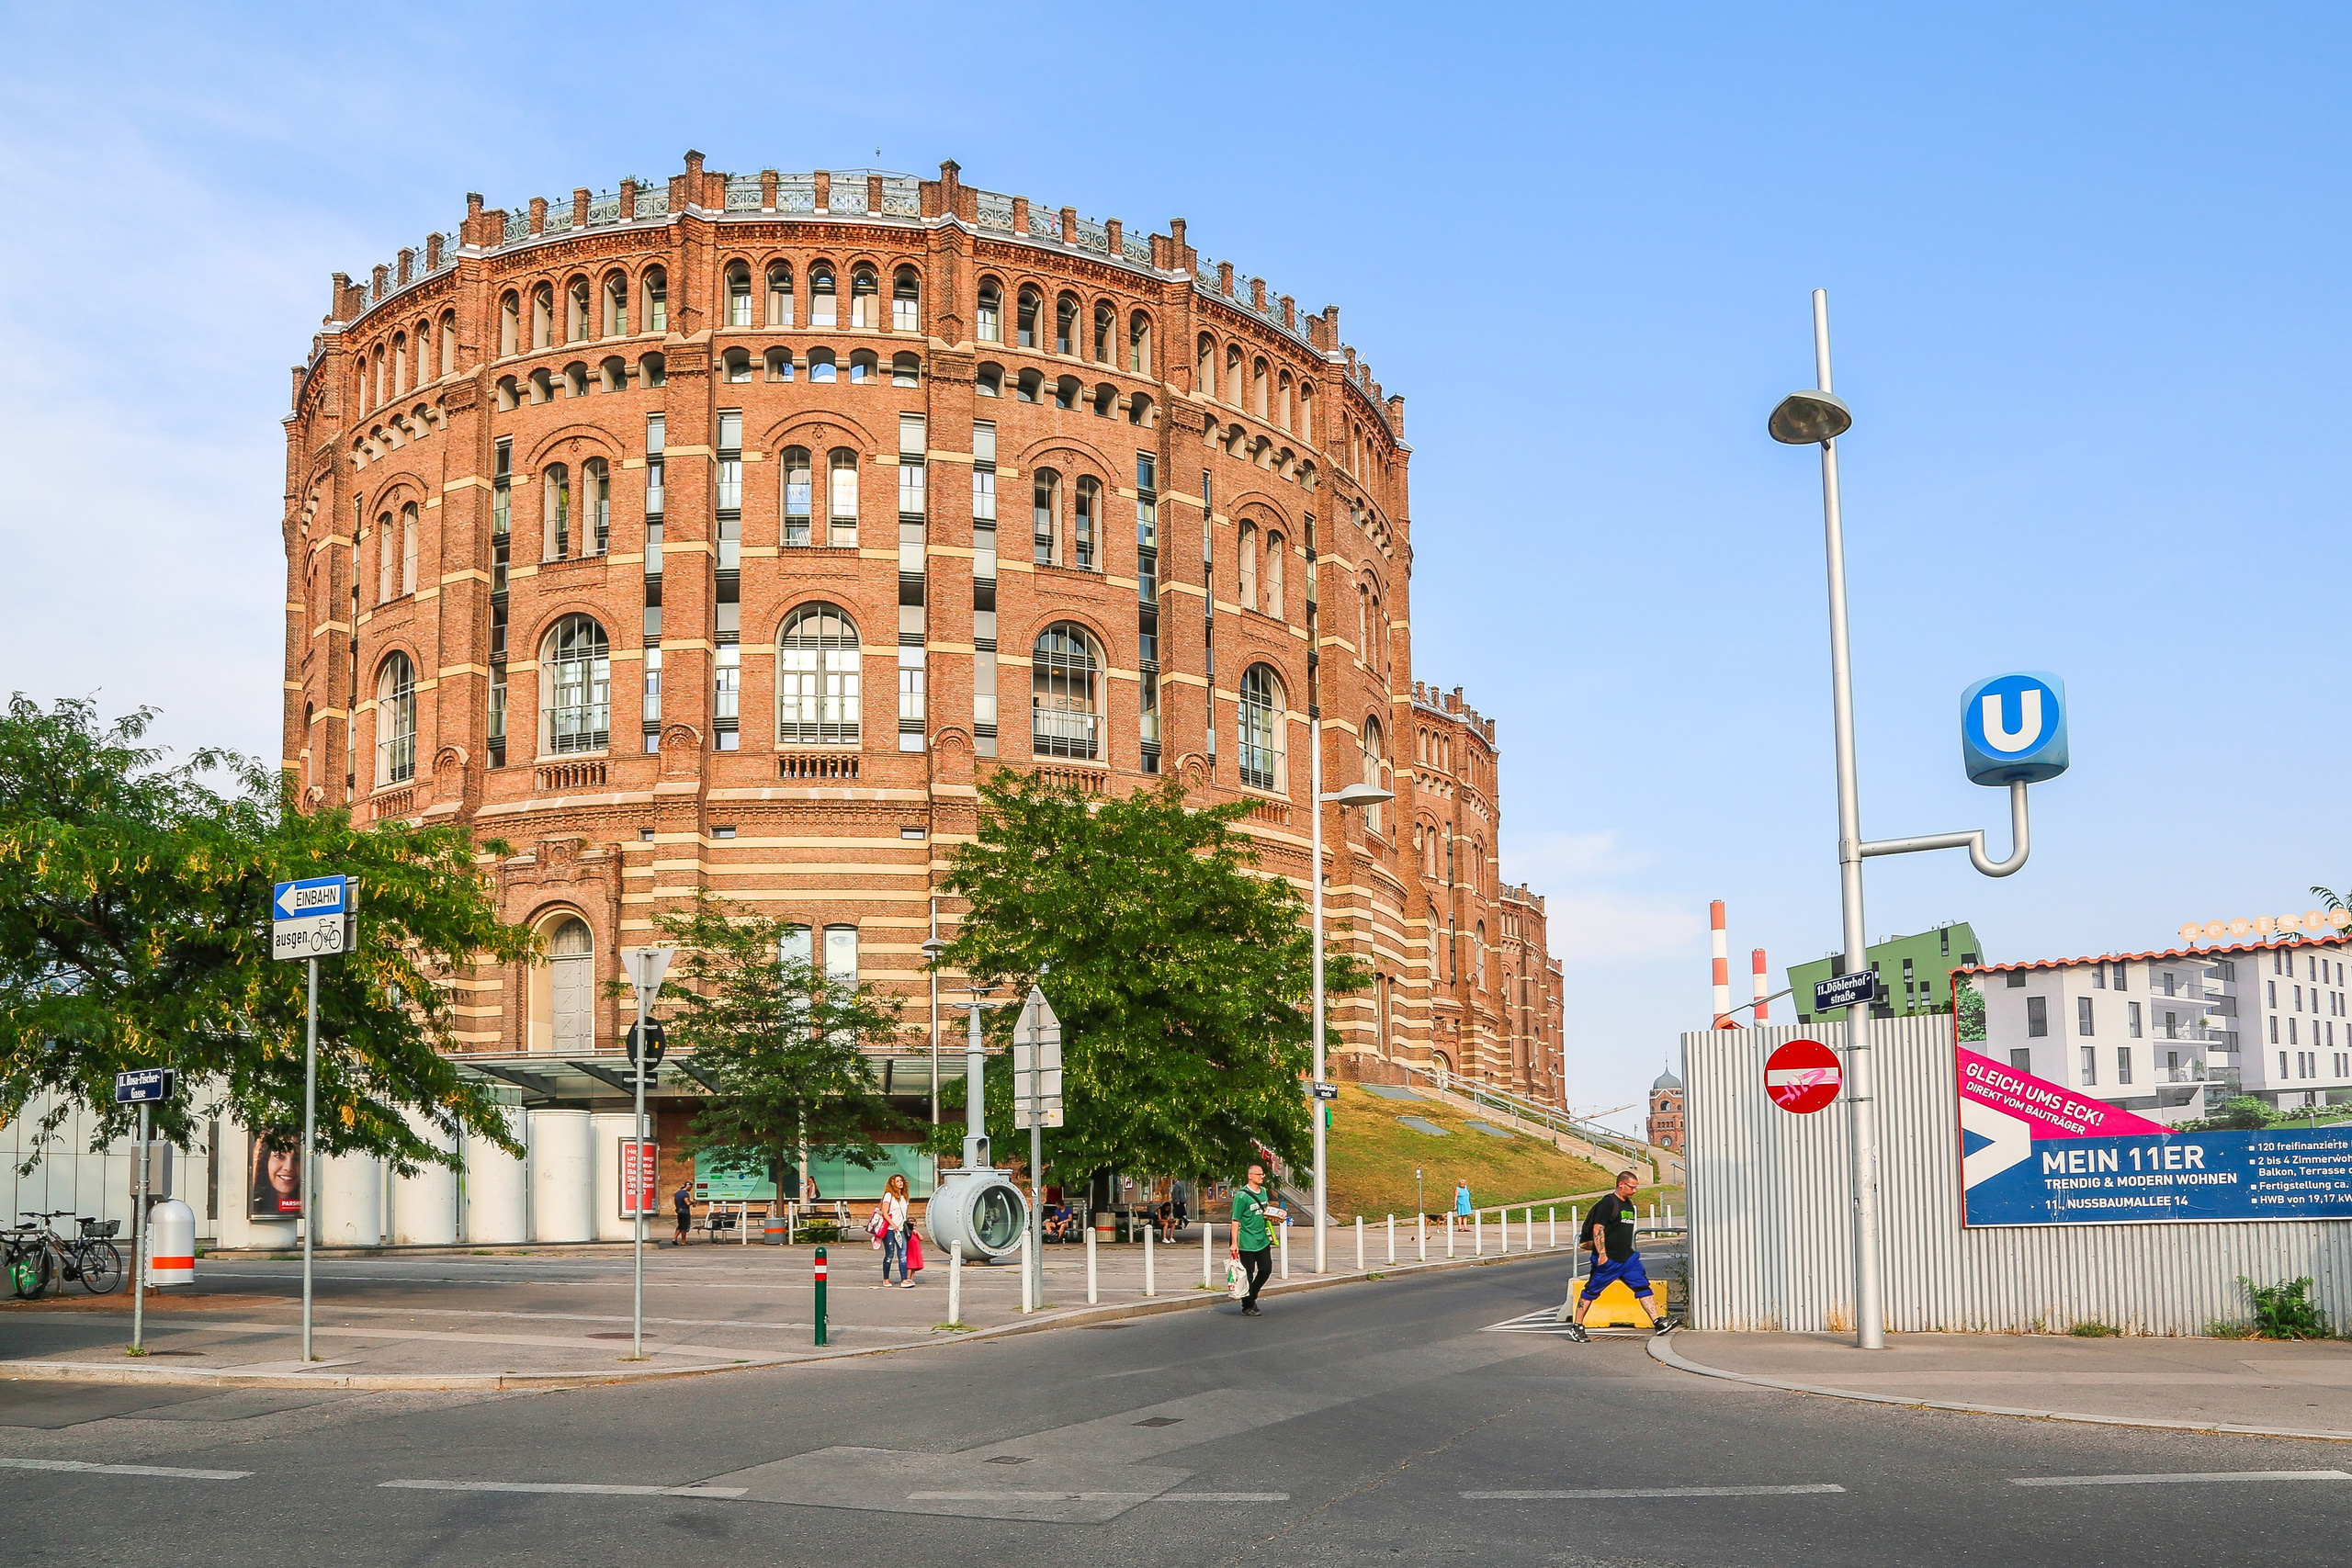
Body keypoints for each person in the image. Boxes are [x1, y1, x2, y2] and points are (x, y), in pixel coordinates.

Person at [1567, 1170, 1673, 1341]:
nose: (1635, 1191)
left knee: (1643, 1287)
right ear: (1621, 1185)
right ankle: (1577, 1326)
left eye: (1636, 1187)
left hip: (1628, 1259)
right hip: (1609, 1260)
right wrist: (1602, 1255)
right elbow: (1598, 1228)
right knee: (1591, 1291)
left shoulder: (1629, 1205)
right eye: (1632, 1187)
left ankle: (1658, 1322)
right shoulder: (1608, 1203)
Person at [1228, 1163, 1285, 1316]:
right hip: (1246, 1240)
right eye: (1259, 1174)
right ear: (1250, 1176)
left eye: (1263, 1174)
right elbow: (1235, 1220)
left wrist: (1276, 1214)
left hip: (1262, 1239)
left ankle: (1251, 1295)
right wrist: (1234, 1243)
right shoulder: (1242, 1196)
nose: (1262, 1177)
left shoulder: (1264, 1192)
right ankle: (1247, 1306)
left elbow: (1264, 1211)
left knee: (1266, 1269)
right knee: (1248, 1273)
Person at [876, 1172, 913, 1287]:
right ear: (892, 1184)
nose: (900, 1183)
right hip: (890, 1229)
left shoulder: (904, 1197)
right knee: (890, 1254)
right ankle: (886, 1278)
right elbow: (885, 1213)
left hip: (901, 1229)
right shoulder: (889, 1196)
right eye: (897, 1181)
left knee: (902, 1255)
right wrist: (893, 1225)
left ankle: (904, 1280)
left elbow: (904, 1214)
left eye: (901, 1181)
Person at [672, 1180, 694, 1247]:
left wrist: (677, 1208)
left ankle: (674, 1239)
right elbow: (688, 1203)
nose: (691, 1189)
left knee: (680, 1226)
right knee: (684, 1227)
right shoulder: (685, 1194)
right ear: (688, 1186)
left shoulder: (677, 1193)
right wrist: (693, 1202)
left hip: (679, 1211)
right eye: (691, 1187)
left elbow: (675, 1202)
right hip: (685, 1212)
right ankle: (683, 1241)